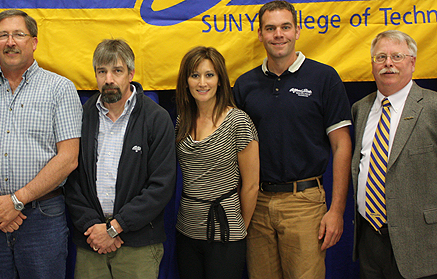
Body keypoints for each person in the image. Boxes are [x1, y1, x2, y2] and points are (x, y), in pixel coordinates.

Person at [0, 9, 82, 279]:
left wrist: (16, 201)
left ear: (33, 42)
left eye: (19, 35)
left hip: (42, 218)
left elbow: (68, 157)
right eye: (3, 35)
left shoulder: (60, 89)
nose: (10, 42)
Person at [232, 1, 352, 278]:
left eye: (285, 27)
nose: (278, 34)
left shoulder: (324, 77)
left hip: (305, 204)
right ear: (260, 34)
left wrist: (336, 211)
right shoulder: (245, 85)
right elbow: (235, 149)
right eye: (270, 28)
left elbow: (342, 144)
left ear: (297, 31)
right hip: (256, 204)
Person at [65, 39, 176, 279]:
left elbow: (161, 186)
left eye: (117, 71)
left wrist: (115, 228)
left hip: (138, 244)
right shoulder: (81, 117)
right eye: (102, 71)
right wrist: (94, 227)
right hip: (91, 240)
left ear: (131, 73)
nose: (109, 80)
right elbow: (71, 179)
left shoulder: (156, 118)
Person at [351, 30, 437, 279]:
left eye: (397, 56)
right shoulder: (361, 109)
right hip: (371, 240)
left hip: (422, 244)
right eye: (381, 57)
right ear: (372, 65)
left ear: (412, 62)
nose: (388, 63)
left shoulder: (433, 107)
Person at [174, 46, 259, 279]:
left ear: (220, 80)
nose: (202, 83)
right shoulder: (182, 120)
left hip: (226, 233)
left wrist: (240, 228)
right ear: (186, 81)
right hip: (187, 229)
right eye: (195, 75)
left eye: (209, 75)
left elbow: (251, 184)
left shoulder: (238, 121)